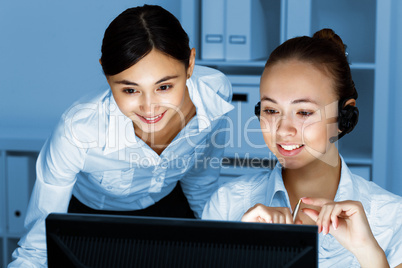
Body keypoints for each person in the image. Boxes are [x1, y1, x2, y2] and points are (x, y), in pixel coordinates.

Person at [9, 5, 233, 267]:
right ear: (106, 73)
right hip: (93, 219)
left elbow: (200, 179)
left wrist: (224, 245)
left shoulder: (215, 93)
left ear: (191, 64)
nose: (150, 108)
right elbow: (37, 246)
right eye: (130, 90)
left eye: (164, 86)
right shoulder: (78, 130)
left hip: (170, 205)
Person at [202, 28, 402, 267]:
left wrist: (369, 253)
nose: (283, 130)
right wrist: (242, 249)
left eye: (304, 112)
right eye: (271, 110)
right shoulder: (227, 206)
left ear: (344, 117)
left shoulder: (393, 218)